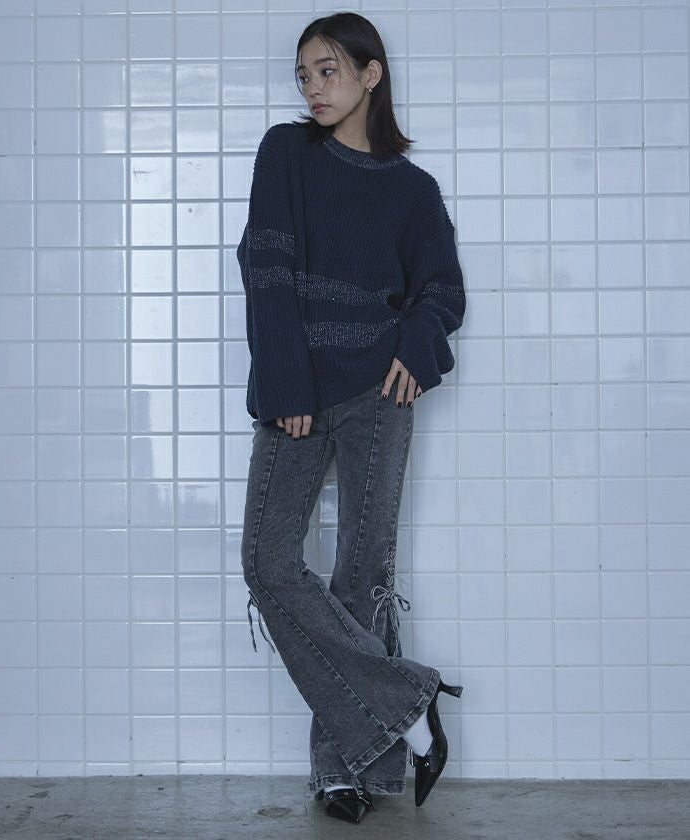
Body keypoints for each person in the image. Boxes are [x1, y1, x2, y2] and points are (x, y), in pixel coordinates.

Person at [237, 11, 466, 825]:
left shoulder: (413, 190)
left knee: (362, 576)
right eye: (303, 74)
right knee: (268, 562)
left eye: (327, 70)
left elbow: (443, 291)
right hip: (298, 390)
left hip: (380, 393)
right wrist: (286, 384)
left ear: (372, 74)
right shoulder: (285, 153)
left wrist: (416, 344)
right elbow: (265, 268)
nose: (312, 87)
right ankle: (411, 703)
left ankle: (348, 774)